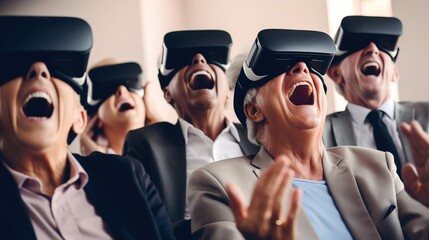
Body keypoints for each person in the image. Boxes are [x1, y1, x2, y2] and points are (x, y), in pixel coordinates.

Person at [187, 28, 429, 240]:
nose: (302, 67)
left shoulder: (378, 165)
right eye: (279, 66)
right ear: (253, 109)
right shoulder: (216, 184)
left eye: (312, 66)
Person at [0, 16, 174, 239]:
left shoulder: (129, 177)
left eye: (56, 71)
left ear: (79, 118)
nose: (38, 70)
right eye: (15, 69)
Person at [123, 30, 260, 239]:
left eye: (210, 58)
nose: (199, 59)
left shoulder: (259, 136)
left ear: (228, 87)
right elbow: (142, 224)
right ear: (167, 92)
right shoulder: (145, 143)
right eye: (183, 61)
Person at [323, 15, 429, 176]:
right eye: (358, 44)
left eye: (383, 46)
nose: (372, 49)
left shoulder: (427, 115)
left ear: (394, 73)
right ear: (336, 73)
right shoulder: (320, 134)